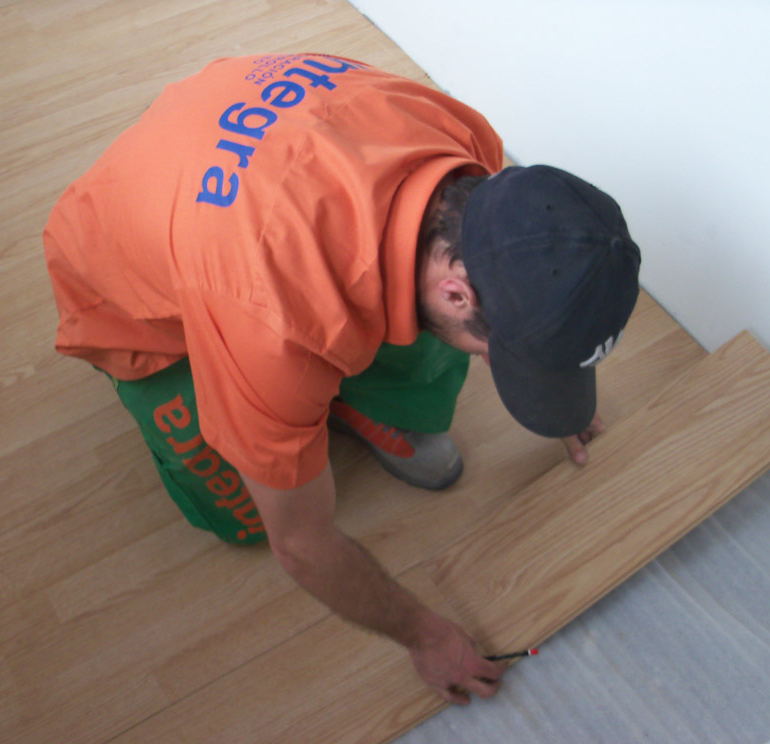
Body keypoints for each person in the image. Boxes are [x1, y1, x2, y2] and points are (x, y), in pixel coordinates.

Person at [42, 53, 641, 705]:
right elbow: (301, 545)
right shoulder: (271, 322)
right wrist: (425, 637)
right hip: (124, 286)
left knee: (430, 333)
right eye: (510, 355)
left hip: (224, 156)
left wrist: (553, 380)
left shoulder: (471, 153)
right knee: (247, 517)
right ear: (457, 291)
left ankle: (342, 400)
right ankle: (314, 400)